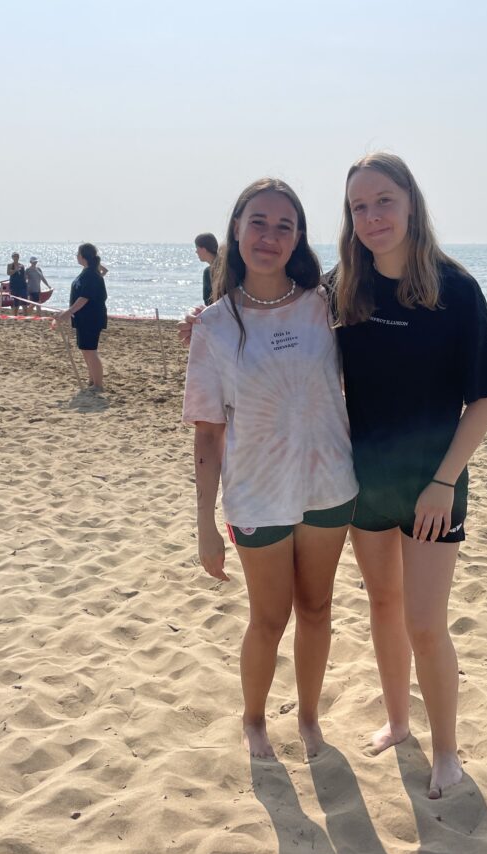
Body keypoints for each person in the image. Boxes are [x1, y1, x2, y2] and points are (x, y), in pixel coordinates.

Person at [332, 152, 487, 799]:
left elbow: (482, 399)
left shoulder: (455, 290)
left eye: (384, 201)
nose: (372, 216)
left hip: (434, 485)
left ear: (410, 204)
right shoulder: (343, 287)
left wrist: (443, 481)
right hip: (363, 480)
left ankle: (447, 752)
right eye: (359, 207)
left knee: (426, 622)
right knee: (383, 604)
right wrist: (208, 319)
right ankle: (399, 722)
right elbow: (272, 315)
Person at [182, 178, 357, 761]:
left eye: (285, 226)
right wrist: (205, 524)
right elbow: (208, 432)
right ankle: (254, 719)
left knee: (317, 609)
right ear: (236, 228)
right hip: (256, 494)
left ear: (299, 237)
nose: (269, 236)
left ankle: (308, 718)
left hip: (329, 485)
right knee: (268, 617)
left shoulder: (326, 305)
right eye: (258, 221)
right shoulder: (212, 326)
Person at [52, 243, 108, 390]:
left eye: (78, 253)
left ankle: (98, 385)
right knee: (85, 349)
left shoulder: (91, 274)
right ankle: (92, 380)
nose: (76, 256)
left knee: (90, 350)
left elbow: (84, 298)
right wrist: (67, 312)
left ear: (83, 256)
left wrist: (67, 313)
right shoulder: (87, 271)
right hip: (82, 317)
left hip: (91, 318)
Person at [194, 233, 219, 303]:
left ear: (203, 249)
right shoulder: (227, 264)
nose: (196, 251)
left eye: (197, 248)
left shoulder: (208, 271)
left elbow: (207, 301)